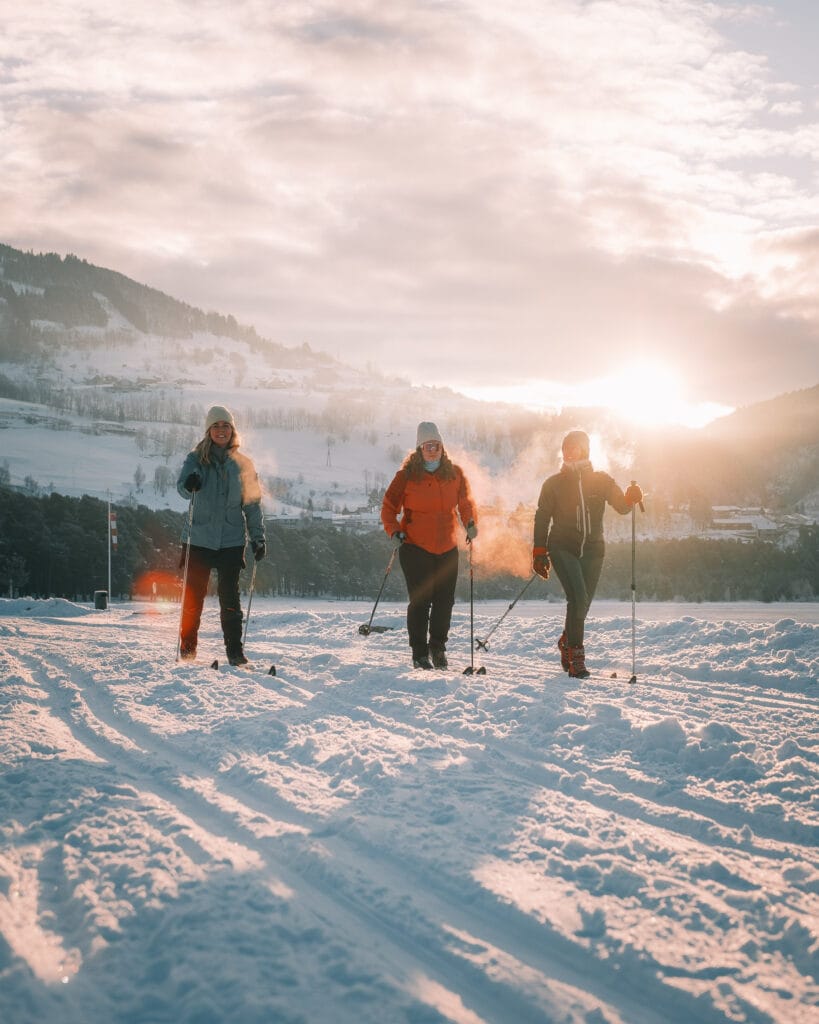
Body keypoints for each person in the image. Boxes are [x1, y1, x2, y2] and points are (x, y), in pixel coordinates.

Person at [532, 429, 643, 679]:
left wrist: (632, 496)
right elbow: (542, 518)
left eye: (576, 447)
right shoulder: (554, 484)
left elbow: (623, 506)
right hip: (562, 547)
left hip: (593, 551)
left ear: (586, 450)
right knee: (578, 599)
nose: (570, 452)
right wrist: (539, 551)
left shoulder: (601, 480)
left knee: (583, 605)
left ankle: (566, 642)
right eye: (566, 448)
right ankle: (576, 658)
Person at [381, 422, 478, 670]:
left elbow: (465, 502)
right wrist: (393, 531)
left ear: (442, 447)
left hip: (447, 545)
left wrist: (470, 523)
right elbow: (389, 507)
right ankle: (419, 652)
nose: (432, 449)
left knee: (445, 601)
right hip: (414, 545)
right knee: (421, 600)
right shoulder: (405, 477)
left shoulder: (455, 473)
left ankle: (438, 647)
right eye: (427, 445)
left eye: (436, 445)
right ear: (419, 448)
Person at [177, 405, 266, 665]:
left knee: (230, 599)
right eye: (216, 426)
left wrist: (258, 538)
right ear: (208, 430)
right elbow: (182, 489)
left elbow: (252, 504)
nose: (221, 430)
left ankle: (235, 653)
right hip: (199, 538)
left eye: (225, 425)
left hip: (231, 539)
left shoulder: (243, 464)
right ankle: (188, 651)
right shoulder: (195, 460)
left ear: (232, 430)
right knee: (193, 598)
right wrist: (190, 482)